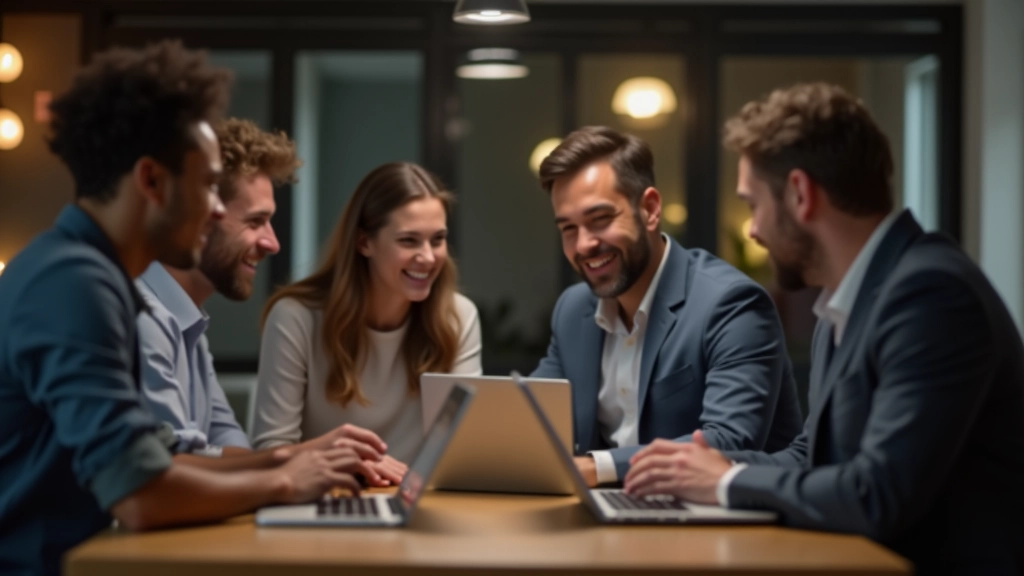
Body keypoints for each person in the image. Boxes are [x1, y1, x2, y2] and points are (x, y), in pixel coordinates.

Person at [0, 41, 373, 576]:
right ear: (152, 181)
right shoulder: (75, 283)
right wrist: (288, 480)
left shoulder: (89, 275)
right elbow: (142, 493)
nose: (217, 208)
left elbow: (158, 460)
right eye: (206, 185)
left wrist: (297, 460)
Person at [624, 83, 1024, 575]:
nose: (751, 230)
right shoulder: (846, 297)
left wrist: (726, 484)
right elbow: (814, 455)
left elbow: (876, 494)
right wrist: (705, 470)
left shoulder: (932, 296)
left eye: (753, 205)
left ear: (800, 194)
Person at [531, 126, 802, 486]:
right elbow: (530, 419)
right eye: (568, 228)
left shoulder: (732, 304)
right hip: (607, 518)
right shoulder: (573, 310)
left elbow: (727, 441)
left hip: (726, 525)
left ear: (650, 209)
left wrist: (598, 467)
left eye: (600, 220)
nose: (584, 244)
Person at [135, 118, 395, 483]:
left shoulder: (188, 325)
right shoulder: (144, 319)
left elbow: (230, 443)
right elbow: (174, 468)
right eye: (256, 221)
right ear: (199, 216)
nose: (272, 243)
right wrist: (308, 454)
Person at [252, 162, 482, 471]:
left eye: (437, 239)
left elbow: (462, 449)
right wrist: (345, 463)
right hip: (324, 498)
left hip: (413, 503)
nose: (428, 257)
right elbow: (271, 450)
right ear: (364, 242)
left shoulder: (458, 317)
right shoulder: (295, 318)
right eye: (408, 240)